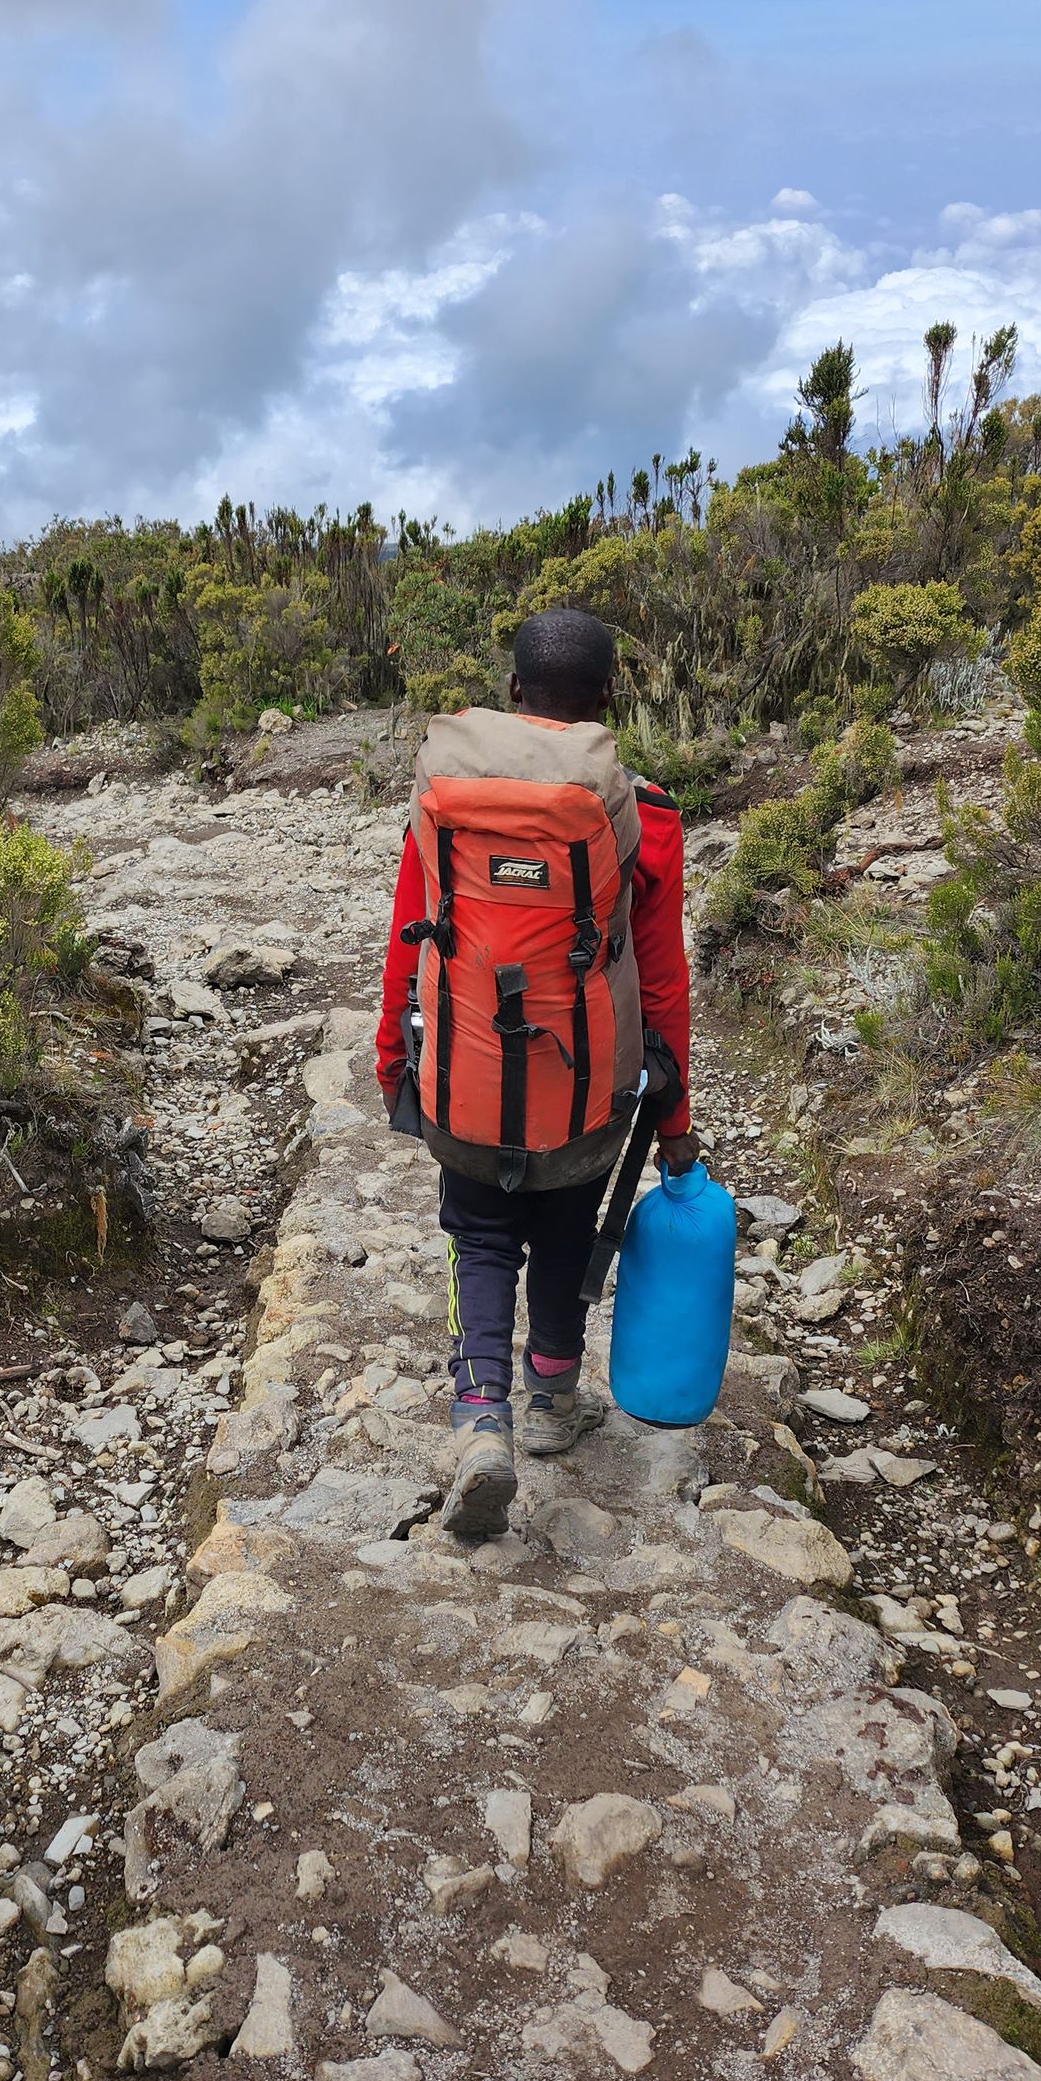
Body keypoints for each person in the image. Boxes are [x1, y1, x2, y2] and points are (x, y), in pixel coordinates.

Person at [375, 607, 696, 1537]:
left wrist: (398, 1055)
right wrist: (673, 1123)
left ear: (514, 692)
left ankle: (481, 1418)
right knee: (564, 1224)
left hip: (465, 1072)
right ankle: (554, 1395)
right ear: (606, 704)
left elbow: (408, 936)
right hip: (586, 1083)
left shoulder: (445, 798)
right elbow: (663, 974)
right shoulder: (646, 814)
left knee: (477, 1235)